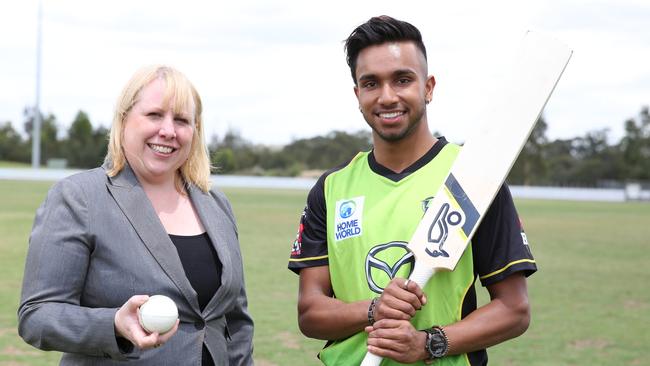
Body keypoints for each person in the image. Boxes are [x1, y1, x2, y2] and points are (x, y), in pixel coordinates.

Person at [288, 16, 537, 365]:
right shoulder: (331, 189)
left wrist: (428, 344)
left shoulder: (473, 177)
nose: (387, 96)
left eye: (402, 80)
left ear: (429, 87)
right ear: (358, 94)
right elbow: (310, 313)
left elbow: (514, 310)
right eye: (371, 83)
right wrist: (374, 309)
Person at [18, 65, 254, 365]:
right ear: (124, 119)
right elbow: (37, 315)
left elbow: (236, 322)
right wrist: (114, 324)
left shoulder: (216, 205)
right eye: (154, 115)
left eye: (182, 120)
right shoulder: (80, 198)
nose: (168, 131)